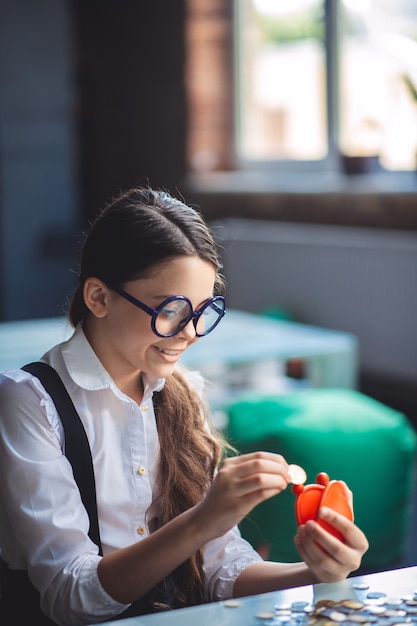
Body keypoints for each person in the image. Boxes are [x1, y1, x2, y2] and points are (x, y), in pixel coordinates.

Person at [0, 187, 368, 626]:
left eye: (203, 311)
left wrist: (316, 573)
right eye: (171, 309)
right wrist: (202, 519)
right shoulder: (28, 402)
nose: (190, 332)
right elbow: (70, 598)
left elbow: (222, 569)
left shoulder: (181, 393)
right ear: (98, 298)